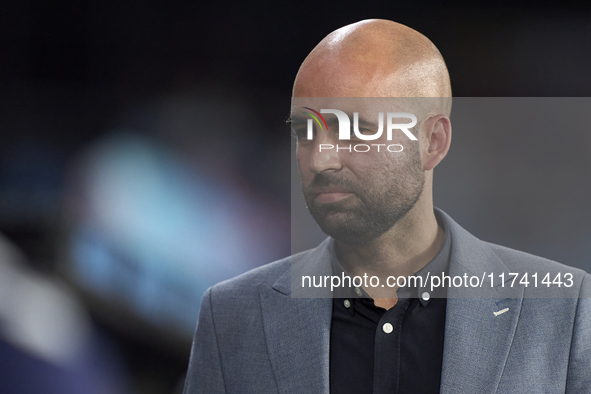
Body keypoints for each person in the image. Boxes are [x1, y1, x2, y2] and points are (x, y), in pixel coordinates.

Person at [183, 19, 591, 393]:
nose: (321, 158)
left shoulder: (562, 310)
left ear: (433, 142)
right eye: (306, 129)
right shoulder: (232, 316)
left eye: (358, 128)